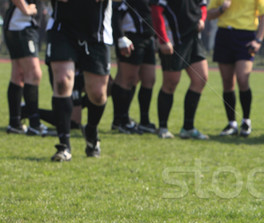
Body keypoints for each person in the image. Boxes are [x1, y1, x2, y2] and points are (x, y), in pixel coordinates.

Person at [46, 0, 113, 161]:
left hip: (96, 33)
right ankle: (64, 145)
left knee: (98, 94)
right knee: (62, 82)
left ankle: (91, 131)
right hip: (62, 30)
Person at [206, 0, 264, 138]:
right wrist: (221, 9)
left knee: (243, 79)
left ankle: (246, 121)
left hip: (245, 36)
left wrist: (258, 40)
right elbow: (209, 14)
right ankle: (231, 123)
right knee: (227, 82)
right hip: (224, 34)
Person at [151, 0, 210, 140]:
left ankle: (188, 128)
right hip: (174, 38)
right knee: (171, 83)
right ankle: (163, 127)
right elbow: (156, 10)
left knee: (201, 78)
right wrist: (163, 40)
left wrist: (202, 19)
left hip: (193, 37)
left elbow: (202, 5)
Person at [111, 0, 157, 134]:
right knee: (127, 79)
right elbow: (116, 12)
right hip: (131, 37)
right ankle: (121, 120)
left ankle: (144, 120)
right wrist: (120, 37)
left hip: (148, 37)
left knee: (149, 79)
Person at [4, 0, 46, 135]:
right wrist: (26, 9)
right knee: (34, 74)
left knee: (18, 74)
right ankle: (34, 123)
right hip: (21, 25)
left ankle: (15, 123)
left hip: (19, 26)